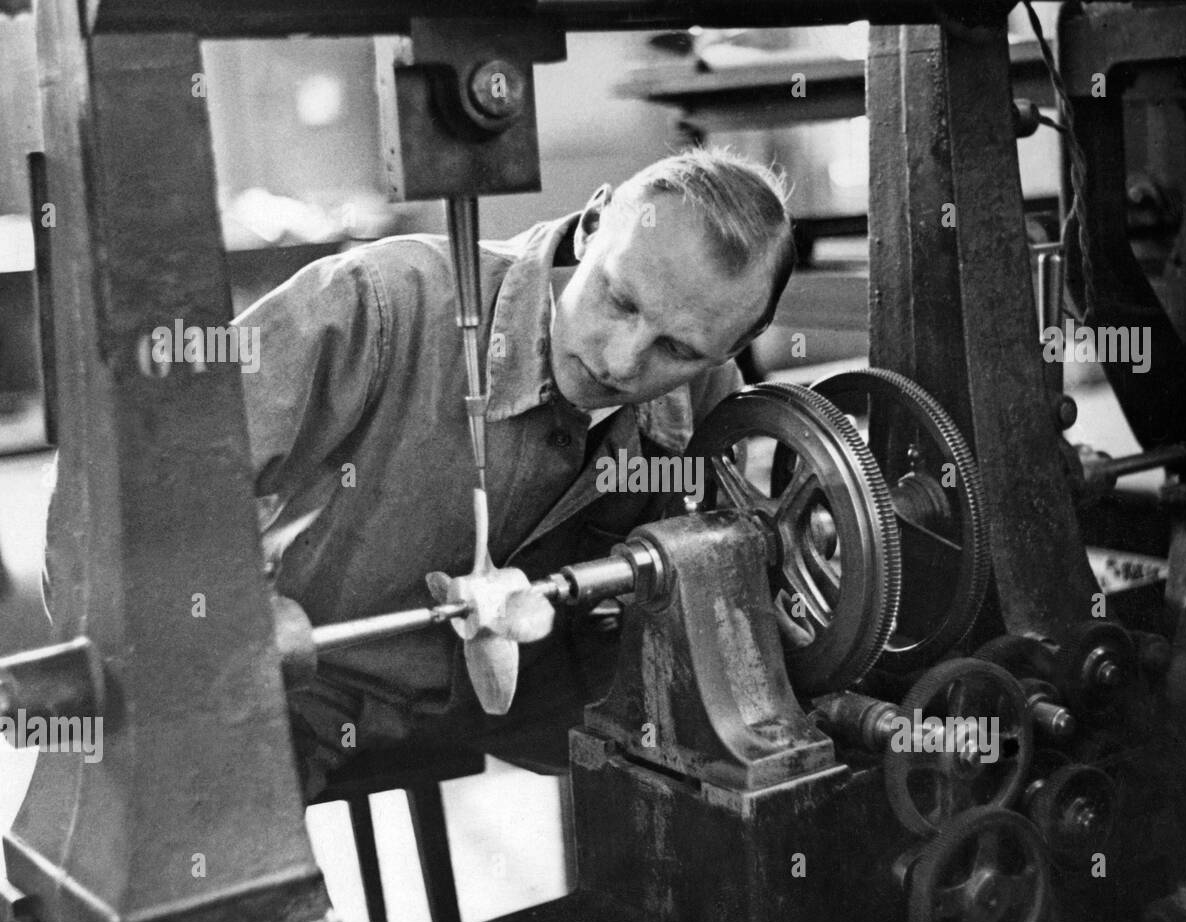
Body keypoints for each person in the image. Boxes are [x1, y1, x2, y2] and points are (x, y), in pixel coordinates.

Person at [238, 147, 796, 801]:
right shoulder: (384, 304)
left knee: (749, 777)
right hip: (317, 691)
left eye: (677, 349)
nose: (620, 361)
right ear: (592, 225)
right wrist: (235, 612)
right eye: (619, 300)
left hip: (534, 700)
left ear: (730, 348)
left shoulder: (710, 403)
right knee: (232, 879)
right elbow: (161, 467)